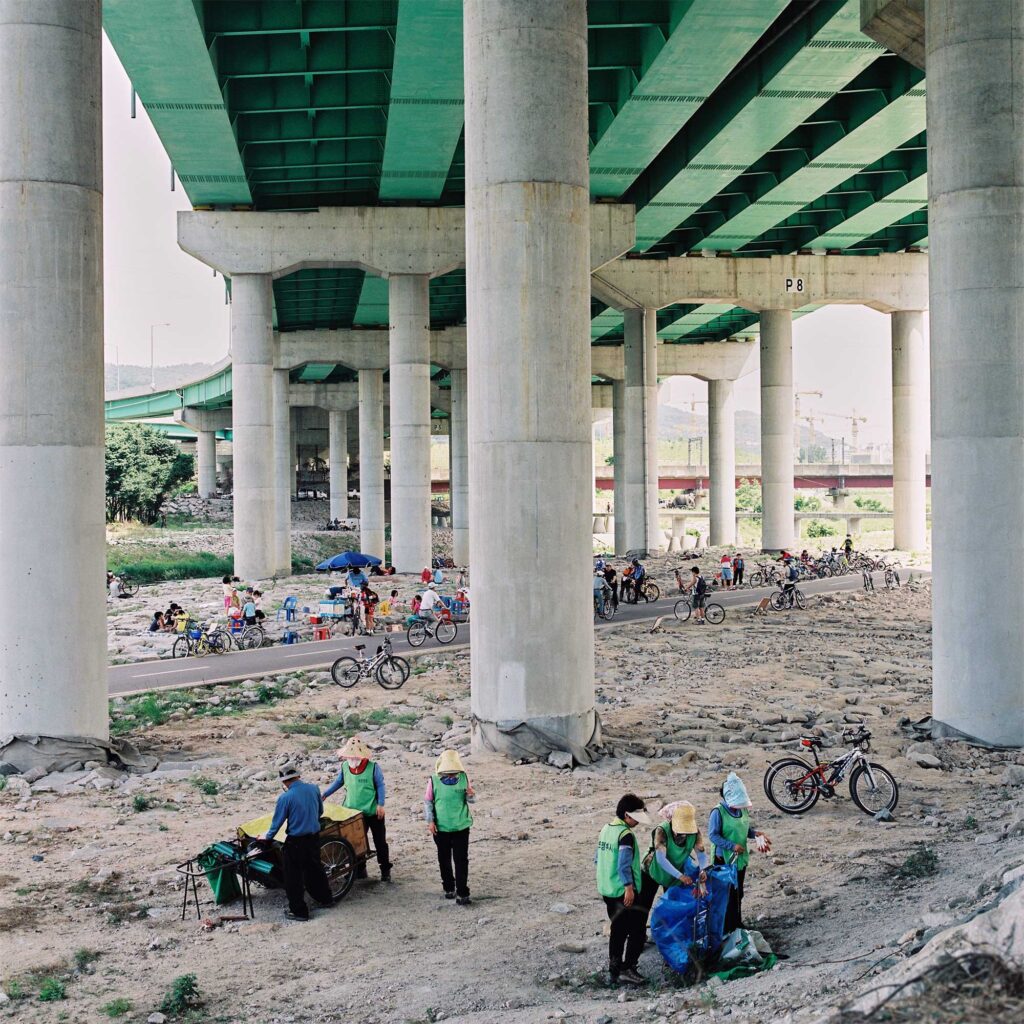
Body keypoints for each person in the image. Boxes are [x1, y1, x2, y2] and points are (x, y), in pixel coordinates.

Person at [262, 764, 334, 921]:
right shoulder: (314, 788)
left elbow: (276, 823)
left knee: (293, 877)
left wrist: (267, 837)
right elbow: (320, 812)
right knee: (315, 869)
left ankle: (299, 912)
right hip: (314, 837)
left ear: (284, 782)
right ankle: (326, 899)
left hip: (296, 841)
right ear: (298, 776)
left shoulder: (285, 798)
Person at [595, 794, 653, 985]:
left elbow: (597, 858)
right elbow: (623, 865)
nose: (637, 822)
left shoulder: (606, 829)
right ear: (627, 815)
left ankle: (614, 970)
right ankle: (628, 968)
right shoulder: (625, 835)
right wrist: (629, 888)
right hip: (622, 890)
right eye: (636, 818)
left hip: (607, 888)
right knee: (637, 929)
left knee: (618, 929)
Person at [708, 772, 771, 934]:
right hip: (724, 860)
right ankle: (726, 927)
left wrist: (755, 834)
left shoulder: (742, 809)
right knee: (727, 895)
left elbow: (744, 828)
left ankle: (736, 923)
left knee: (738, 892)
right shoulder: (718, 812)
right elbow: (713, 835)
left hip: (739, 859)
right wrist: (731, 845)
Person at [322, 737, 391, 882]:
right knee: (355, 841)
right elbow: (338, 782)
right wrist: (325, 794)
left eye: (354, 757)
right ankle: (360, 870)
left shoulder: (373, 767)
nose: (352, 759)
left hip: (372, 811)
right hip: (352, 813)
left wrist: (381, 804)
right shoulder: (345, 767)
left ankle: (385, 870)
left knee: (380, 842)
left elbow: (380, 785)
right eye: (349, 756)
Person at [424, 749, 474, 905]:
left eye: (454, 773)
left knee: (461, 860)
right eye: (449, 773)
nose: (452, 776)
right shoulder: (433, 780)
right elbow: (428, 802)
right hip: (441, 828)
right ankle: (448, 888)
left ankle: (462, 892)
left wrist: (471, 795)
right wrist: (430, 821)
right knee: (444, 859)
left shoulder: (464, 777)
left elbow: (470, 800)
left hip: (461, 826)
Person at [643, 802, 707, 894]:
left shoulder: (695, 832)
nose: (684, 833)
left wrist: (703, 870)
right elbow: (661, 859)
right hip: (653, 870)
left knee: (670, 899)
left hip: (675, 870)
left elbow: (701, 854)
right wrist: (681, 876)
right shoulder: (662, 830)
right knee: (644, 904)